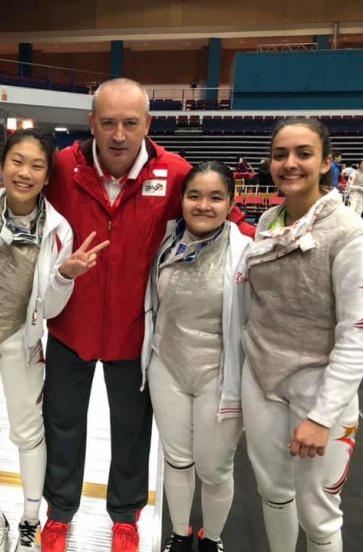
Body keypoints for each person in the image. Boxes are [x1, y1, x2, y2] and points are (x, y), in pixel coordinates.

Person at [39, 78, 255, 552]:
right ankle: (59, 512)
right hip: (69, 329)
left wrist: (264, 243)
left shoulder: (174, 172)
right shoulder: (61, 167)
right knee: (62, 424)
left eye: (130, 124)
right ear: (92, 122)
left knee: (132, 432)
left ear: (147, 124)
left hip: (135, 337)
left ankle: (126, 514)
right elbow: (18, 196)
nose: (119, 135)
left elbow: (223, 214)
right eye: (109, 123)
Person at [0, 129, 108, 552]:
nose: (24, 172)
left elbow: (53, 309)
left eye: (36, 166)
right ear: (1, 165)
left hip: (22, 344)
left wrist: (64, 276)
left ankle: (28, 519)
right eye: (17, 161)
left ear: (47, 177)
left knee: (28, 434)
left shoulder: (59, 230)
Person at [240, 118, 363, 552]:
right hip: (262, 378)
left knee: (319, 514)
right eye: (281, 154)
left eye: (303, 154)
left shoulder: (352, 236)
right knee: (273, 492)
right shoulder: (269, 220)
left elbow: (360, 334)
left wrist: (322, 416)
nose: (290, 163)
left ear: (326, 163)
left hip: (319, 388)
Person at [142, 162, 251, 552]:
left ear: (231, 202)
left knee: (214, 468)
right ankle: (181, 532)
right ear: (182, 200)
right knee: (177, 459)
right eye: (194, 195)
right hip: (167, 365)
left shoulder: (245, 251)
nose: (203, 205)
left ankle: (213, 539)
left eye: (215, 197)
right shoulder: (166, 241)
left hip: (219, 373)